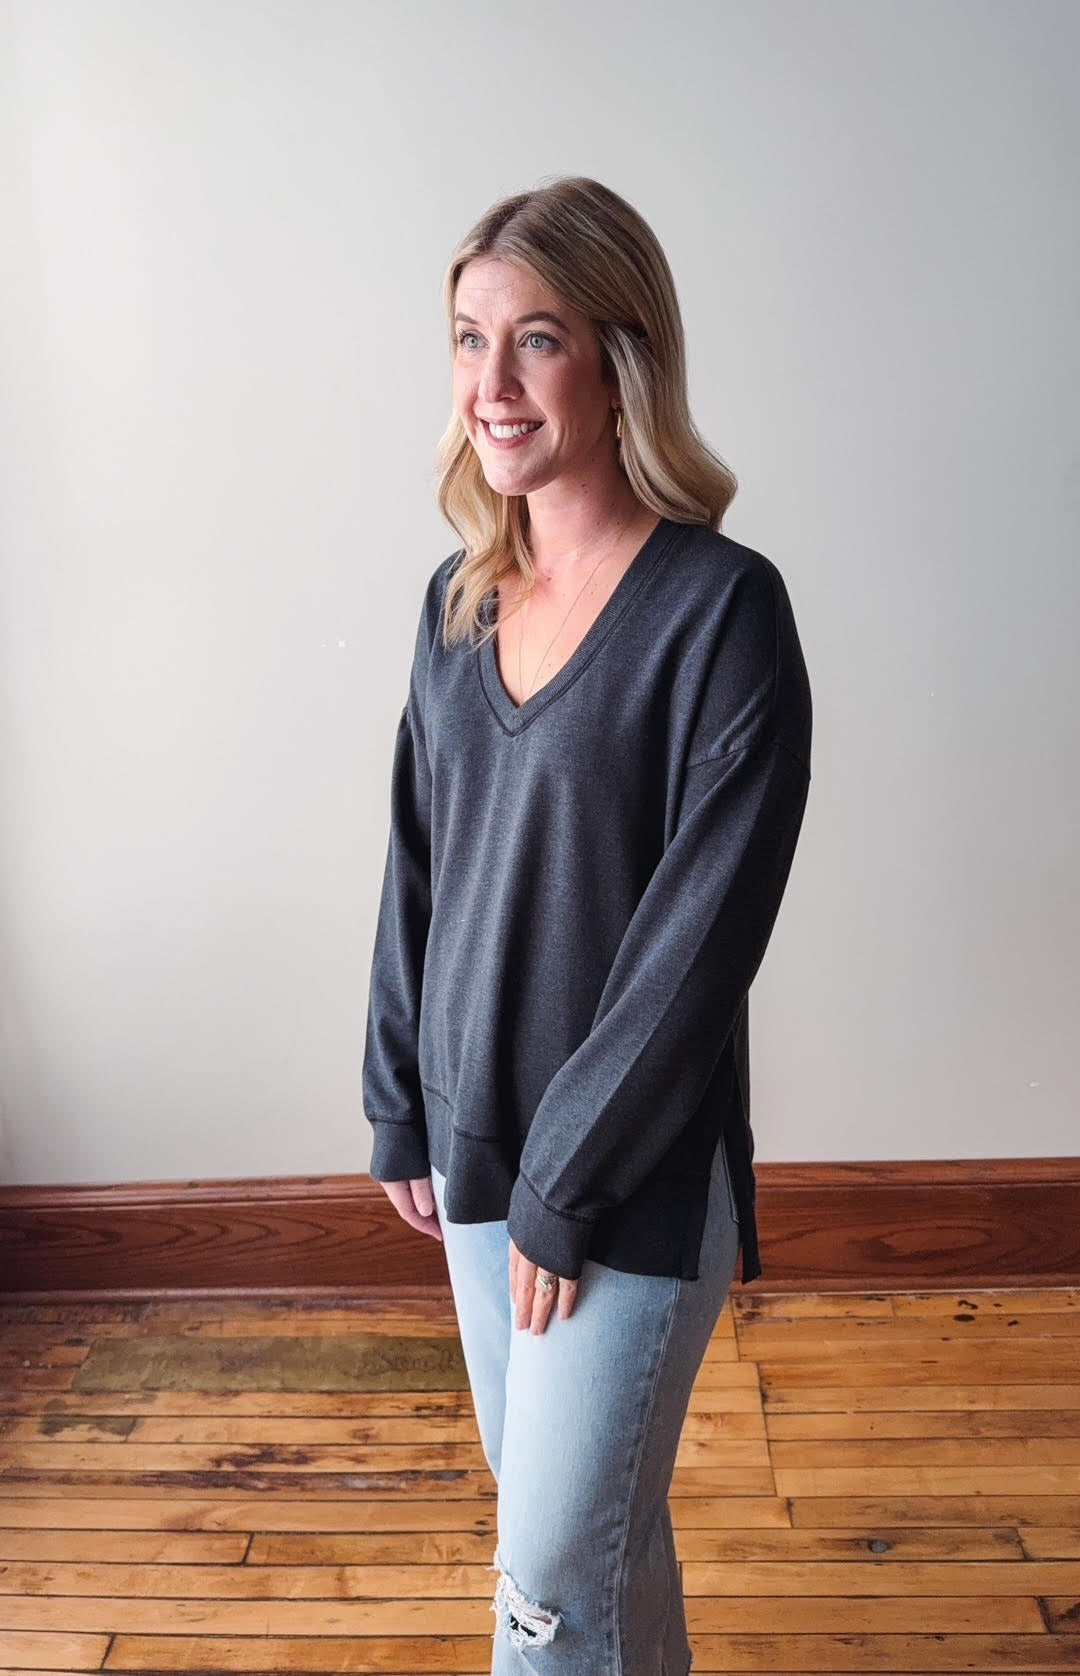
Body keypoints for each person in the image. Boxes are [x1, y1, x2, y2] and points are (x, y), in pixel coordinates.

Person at [363, 175, 812, 1675]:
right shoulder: (459, 601)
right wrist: (398, 1099)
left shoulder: (721, 613)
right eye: (468, 338)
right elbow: (417, 864)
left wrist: (566, 1184)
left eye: (536, 339)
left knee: (548, 1579)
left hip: (623, 1181)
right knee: (589, 1543)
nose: (491, 383)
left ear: (621, 365)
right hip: (474, 1151)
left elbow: (701, 944)